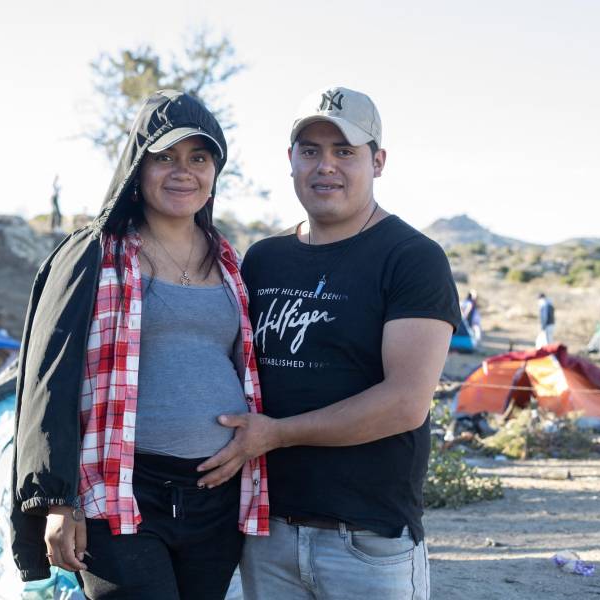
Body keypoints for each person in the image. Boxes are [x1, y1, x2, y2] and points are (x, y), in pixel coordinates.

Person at [195, 86, 460, 599]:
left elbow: (405, 403)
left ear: (378, 161)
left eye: (345, 151)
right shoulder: (263, 259)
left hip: (368, 540)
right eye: (311, 151)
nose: (325, 166)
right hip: (265, 534)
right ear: (290, 160)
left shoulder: (412, 258)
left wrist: (275, 434)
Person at [12, 90, 269, 600]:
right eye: (165, 157)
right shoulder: (93, 252)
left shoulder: (230, 262)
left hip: (215, 499)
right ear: (138, 165)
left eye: (199, 157)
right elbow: (48, 378)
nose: (183, 171)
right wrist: (57, 501)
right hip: (119, 493)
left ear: (215, 171)